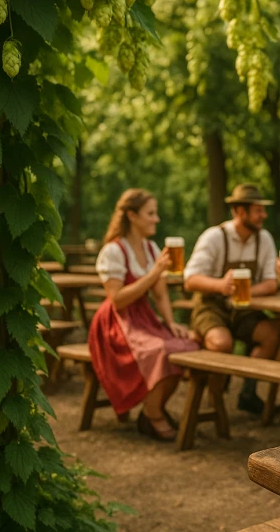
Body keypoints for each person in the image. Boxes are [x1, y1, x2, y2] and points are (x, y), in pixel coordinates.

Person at [89, 189, 200, 442]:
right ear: (132, 215)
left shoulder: (151, 248)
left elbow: (160, 295)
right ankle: (154, 414)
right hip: (117, 323)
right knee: (160, 352)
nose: (156, 219)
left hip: (144, 318)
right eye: (150, 214)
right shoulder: (113, 251)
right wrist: (154, 273)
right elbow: (118, 300)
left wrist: (171, 323)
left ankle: (152, 410)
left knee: (186, 346)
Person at [184, 183, 280, 415]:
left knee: (272, 333)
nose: (264, 216)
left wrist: (244, 293)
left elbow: (271, 283)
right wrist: (220, 285)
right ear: (240, 212)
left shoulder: (264, 239)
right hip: (211, 305)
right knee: (222, 343)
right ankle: (216, 402)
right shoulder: (214, 237)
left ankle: (248, 392)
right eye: (258, 210)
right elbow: (190, 279)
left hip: (244, 307)